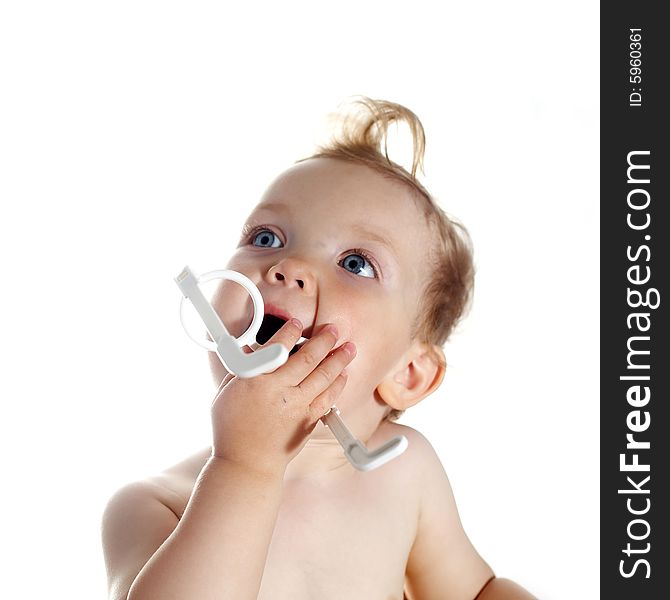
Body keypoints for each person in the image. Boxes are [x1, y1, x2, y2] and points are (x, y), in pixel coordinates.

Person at [101, 97, 536, 599]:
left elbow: (479, 593)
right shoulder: (154, 506)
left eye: (355, 263)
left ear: (409, 373)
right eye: (266, 237)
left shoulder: (406, 473)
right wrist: (246, 466)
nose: (287, 266)